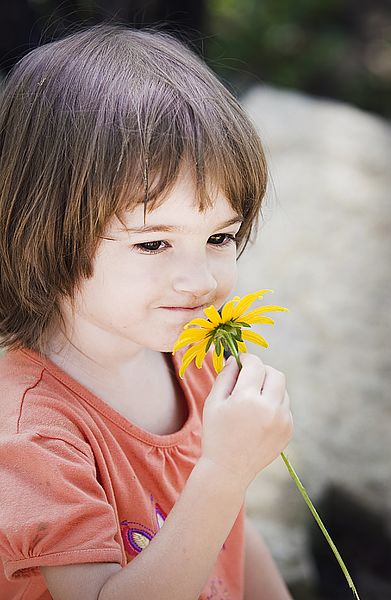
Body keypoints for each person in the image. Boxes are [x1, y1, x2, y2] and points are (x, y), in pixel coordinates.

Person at [0, 25, 293, 600]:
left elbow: (230, 531)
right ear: (44, 232)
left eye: (220, 237)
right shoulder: (29, 431)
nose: (202, 281)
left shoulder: (191, 356)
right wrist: (225, 471)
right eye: (153, 244)